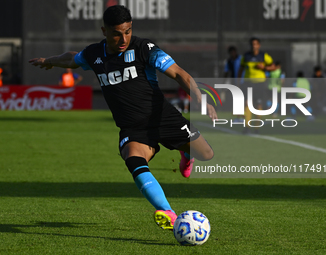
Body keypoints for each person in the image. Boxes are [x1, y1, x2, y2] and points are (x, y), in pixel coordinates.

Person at [29, 5, 216, 231]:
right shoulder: (94, 54)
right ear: (104, 31)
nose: (123, 38)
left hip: (162, 116)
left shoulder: (144, 48)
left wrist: (199, 97)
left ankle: (186, 152)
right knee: (133, 159)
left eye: (127, 31)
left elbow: (178, 73)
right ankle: (168, 212)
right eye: (117, 33)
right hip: (133, 128)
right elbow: (72, 59)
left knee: (207, 154)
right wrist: (50, 60)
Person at [238, 37, 275, 134]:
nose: (253, 46)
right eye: (252, 44)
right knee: (247, 104)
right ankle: (247, 127)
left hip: (260, 84)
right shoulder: (246, 56)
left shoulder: (264, 56)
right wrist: (238, 81)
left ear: (259, 45)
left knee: (258, 105)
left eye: (255, 44)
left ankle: (257, 128)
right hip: (248, 83)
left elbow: (273, 67)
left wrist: (265, 67)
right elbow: (241, 69)